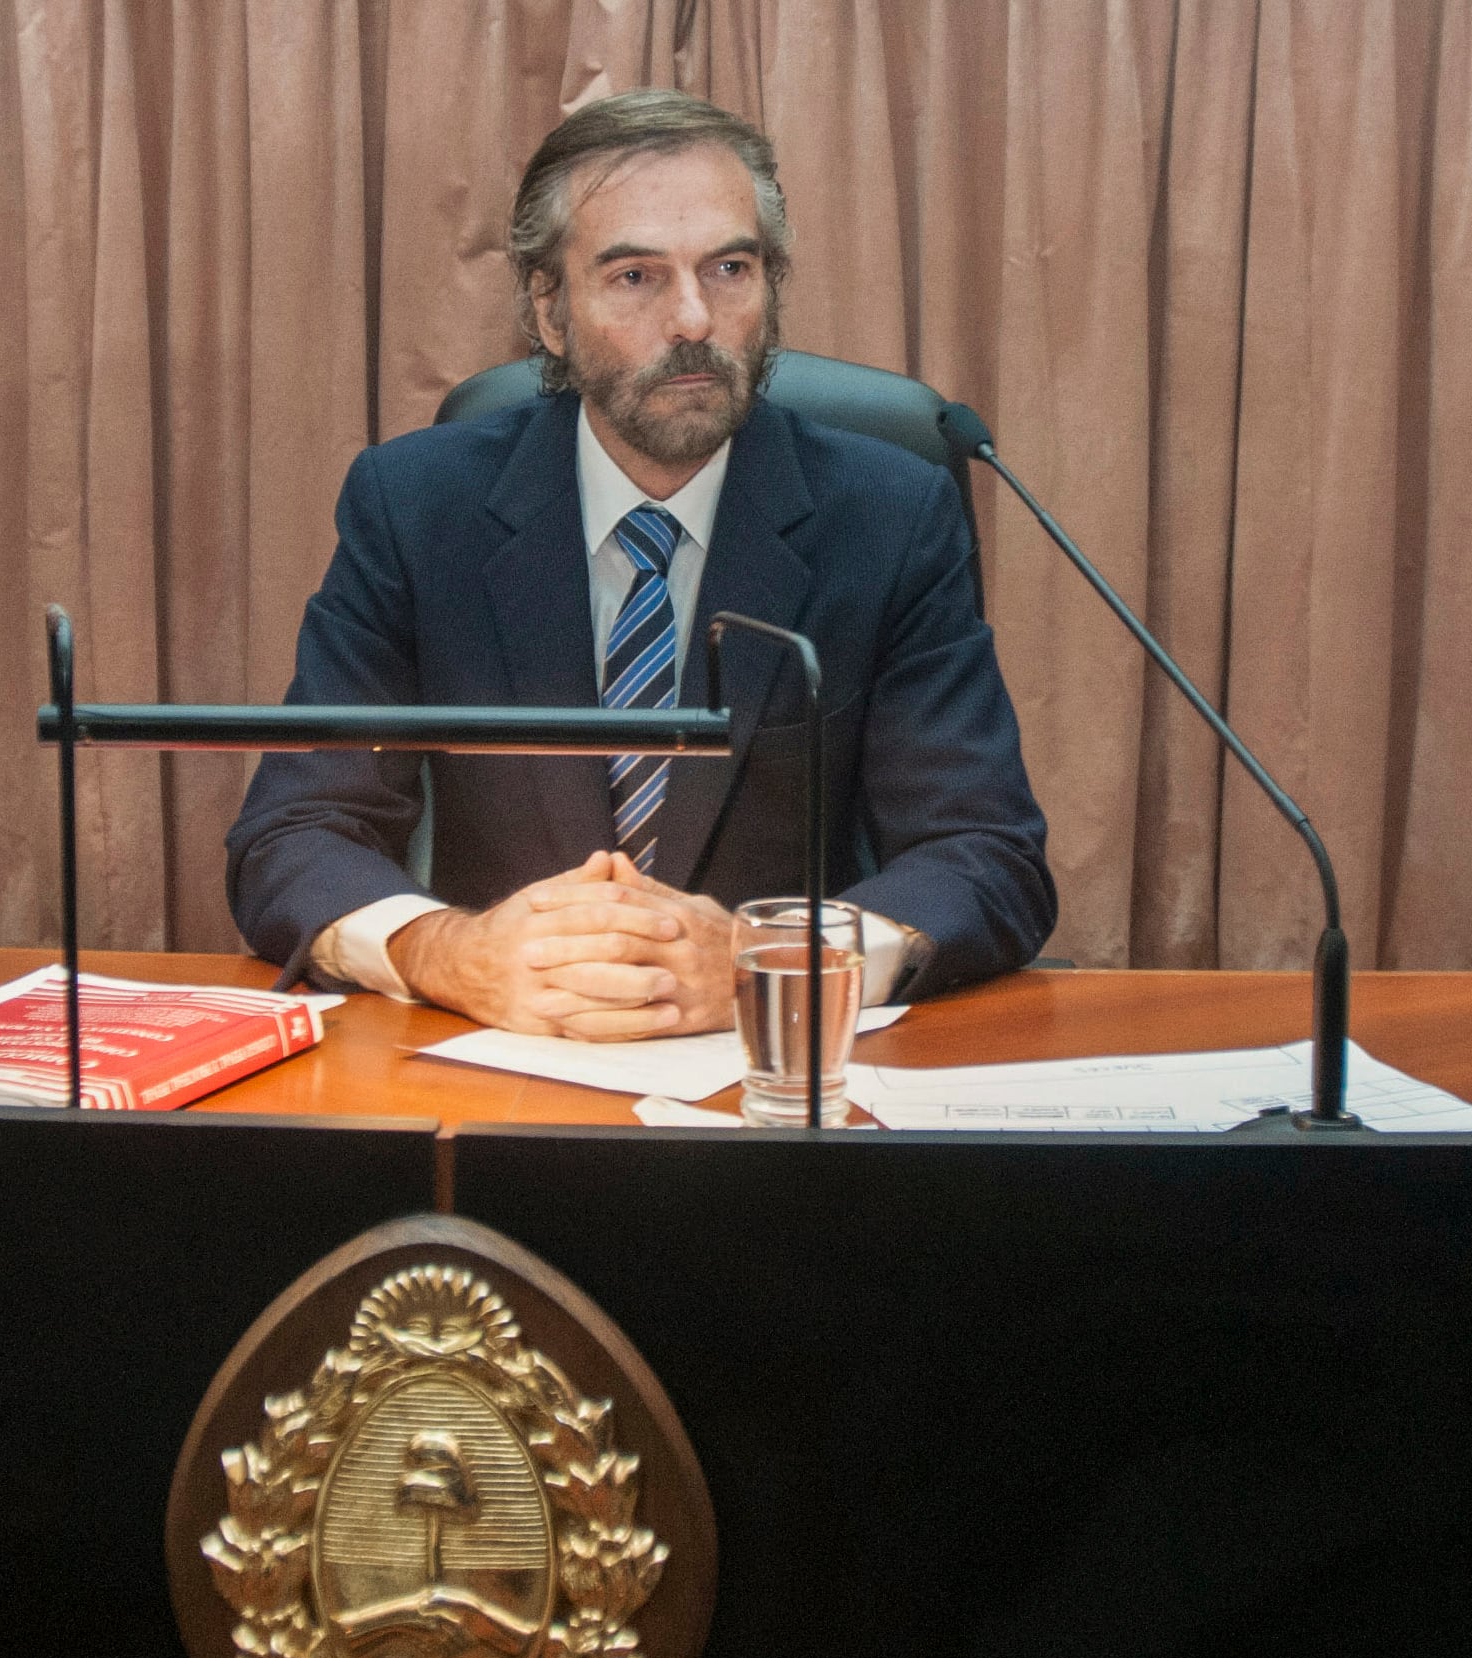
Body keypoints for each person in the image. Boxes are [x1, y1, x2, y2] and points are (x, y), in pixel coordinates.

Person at [226, 91, 1053, 1039]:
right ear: (548, 308)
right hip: (495, 1066)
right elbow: (293, 833)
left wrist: (773, 959)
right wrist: (447, 954)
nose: (695, 318)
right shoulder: (417, 507)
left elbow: (983, 855)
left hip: (770, 1082)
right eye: (634, 277)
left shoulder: (888, 515)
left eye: (729, 269)